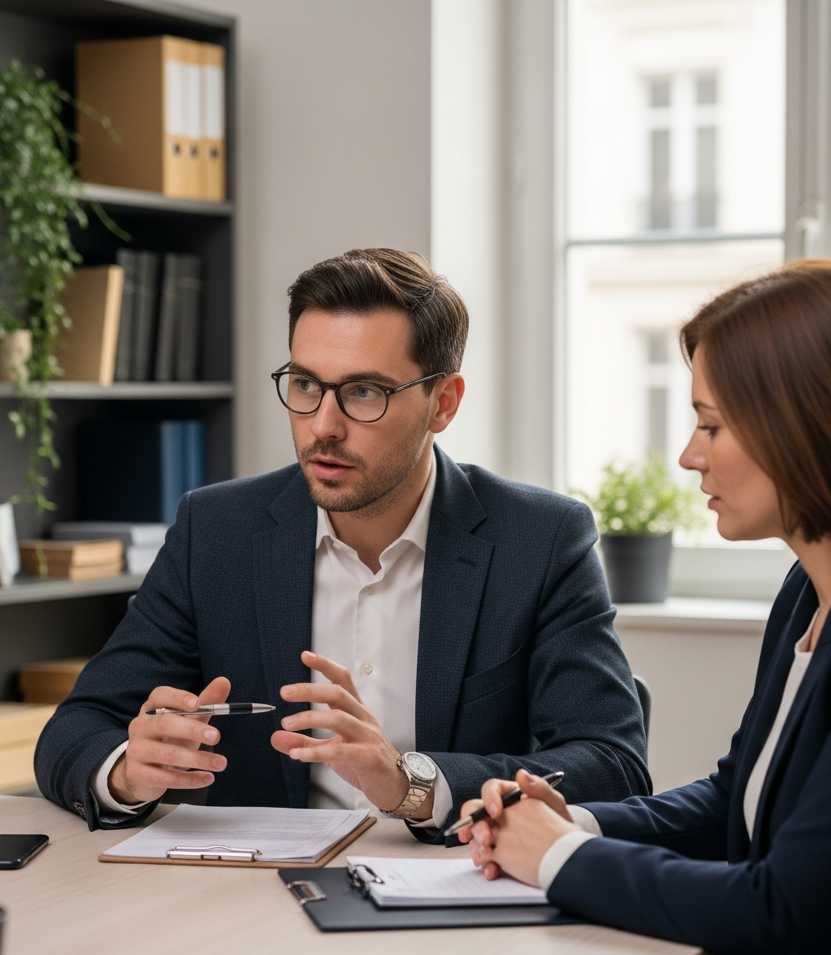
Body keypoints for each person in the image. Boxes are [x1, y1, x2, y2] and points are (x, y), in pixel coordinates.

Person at [35, 248, 650, 834]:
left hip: (456, 890)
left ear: (443, 403)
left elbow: (614, 766)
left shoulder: (539, 541)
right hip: (256, 897)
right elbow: (76, 729)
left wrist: (412, 783)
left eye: (364, 393)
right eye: (305, 385)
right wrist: (125, 768)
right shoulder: (217, 531)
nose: (323, 427)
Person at [459, 260, 831, 955]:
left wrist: (556, 858)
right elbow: (734, 799)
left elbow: (781, 912)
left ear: (810, 423)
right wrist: (572, 822)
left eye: (712, 424)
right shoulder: (811, 590)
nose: (690, 456)